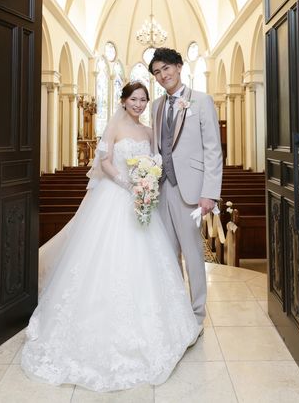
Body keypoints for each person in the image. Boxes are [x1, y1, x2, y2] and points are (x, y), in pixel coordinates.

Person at [21, 82, 198, 392]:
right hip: (115, 196)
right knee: (104, 258)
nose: (139, 104)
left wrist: (146, 181)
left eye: (144, 100)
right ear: (123, 100)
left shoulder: (148, 132)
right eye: (134, 99)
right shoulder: (113, 127)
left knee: (148, 260)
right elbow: (104, 161)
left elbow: (155, 161)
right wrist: (126, 184)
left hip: (141, 199)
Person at [148, 47, 223, 334]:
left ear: (179, 67)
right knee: (168, 254)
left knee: (193, 254)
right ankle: (177, 311)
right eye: (157, 72)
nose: (162, 75)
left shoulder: (201, 101)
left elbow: (213, 149)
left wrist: (209, 193)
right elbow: (157, 146)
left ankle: (197, 314)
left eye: (166, 68)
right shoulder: (156, 106)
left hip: (191, 190)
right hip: (162, 188)